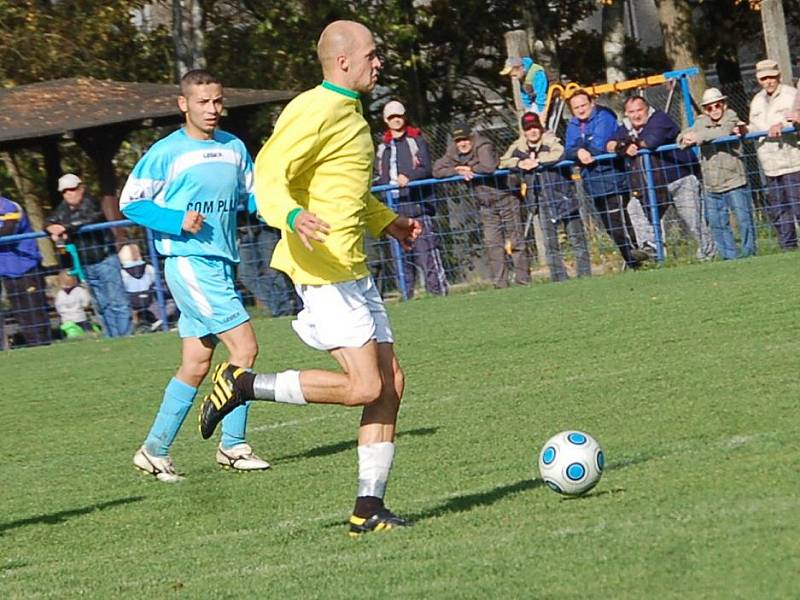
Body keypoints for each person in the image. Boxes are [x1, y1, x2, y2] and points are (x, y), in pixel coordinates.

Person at [196, 21, 421, 535]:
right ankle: (245, 383)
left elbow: (343, 190)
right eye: (371, 54)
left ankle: (368, 509)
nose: (378, 62)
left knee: (391, 386)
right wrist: (292, 217)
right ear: (343, 62)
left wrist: (389, 221)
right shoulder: (313, 108)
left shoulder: (350, 112)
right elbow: (268, 175)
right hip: (320, 270)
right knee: (365, 386)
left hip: (350, 266)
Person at [119, 69, 269, 482]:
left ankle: (154, 450)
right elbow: (130, 202)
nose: (212, 109)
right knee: (244, 349)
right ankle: (234, 446)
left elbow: (253, 196)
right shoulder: (167, 152)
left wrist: (288, 213)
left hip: (220, 262)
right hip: (189, 262)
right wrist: (174, 219)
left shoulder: (234, 147)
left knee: (197, 363)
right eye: (203, 102)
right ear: (183, 104)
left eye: (218, 101)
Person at [608, 95, 716, 261]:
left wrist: (625, 145)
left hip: (680, 179)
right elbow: (609, 145)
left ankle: (709, 254)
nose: (636, 115)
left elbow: (650, 142)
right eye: (631, 112)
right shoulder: (626, 127)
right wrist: (622, 146)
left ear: (647, 109)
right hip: (652, 185)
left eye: (639, 110)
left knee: (694, 221)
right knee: (635, 208)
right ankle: (652, 251)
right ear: (626, 114)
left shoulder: (660, 118)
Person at [433, 120, 531, 287]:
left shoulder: (484, 144)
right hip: (485, 204)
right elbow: (436, 170)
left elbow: (489, 166)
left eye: (464, 139)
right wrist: (456, 170)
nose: (462, 143)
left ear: (471, 137)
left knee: (516, 241)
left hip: (506, 196)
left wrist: (468, 167)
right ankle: (501, 284)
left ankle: (523, 280)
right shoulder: (453, 151)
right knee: (493, 244)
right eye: (458, 141)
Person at [500, 112, 591, 282]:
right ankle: (559, 278)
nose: (533, 131)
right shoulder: (518, 147)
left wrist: (538, 161)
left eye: (535, 127)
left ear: (540, 128)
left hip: (563, 196)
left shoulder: (551, 141)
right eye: (528, 128)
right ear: (524, 131)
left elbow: (559, 154)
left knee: (576, 238)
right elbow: (503, 161)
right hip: (540, 200)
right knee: (550, 244)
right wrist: (520, 163)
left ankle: (585, 275)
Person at [375, 99, 447, 297]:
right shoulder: (383, 147)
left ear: (404, 117)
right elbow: (379, 174)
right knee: (402, 262)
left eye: (398, 116)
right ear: (386, 120)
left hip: (417, 207)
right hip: (394, 209)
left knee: (428, 256)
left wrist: (409, 177)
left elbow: (426, 169)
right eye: (391, 117)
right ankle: (407, 297)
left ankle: (439, 294)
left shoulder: (417, 141)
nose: (396, 120)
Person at [45, 174, 132, 337]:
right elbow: (49, 220)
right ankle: (111, 337)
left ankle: (125, 335)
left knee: (117, 301)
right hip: (86, 262)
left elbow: (89, 219)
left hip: (105, 259)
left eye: (72, 189)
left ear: (81, 188)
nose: (69, 194)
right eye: (64, 191)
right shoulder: (63, 209)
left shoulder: (91, 203)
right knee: (101, 304)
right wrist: (51, 227)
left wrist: (64, 228)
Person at [564, 89, 643, 270]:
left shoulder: (604, 116)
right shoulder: (573, 125)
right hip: (591, 182)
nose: (581, 110)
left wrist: (581, 148)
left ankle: (638, 257)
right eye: (576, 107)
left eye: (584, 105)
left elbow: (599, 145)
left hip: (612, 177)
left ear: (592, 103)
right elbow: (567, 149)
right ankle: (633, 262)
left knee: (620, 223)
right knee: (610, 227)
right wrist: (578, 151)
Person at [678, 88, 755, 259]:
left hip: (734, 178)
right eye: (709, 107)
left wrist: (697, 137)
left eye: (717, 105)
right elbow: (683, 135)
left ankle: (749, 253)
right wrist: (684, 138)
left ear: (724, 104)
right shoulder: (701, 122)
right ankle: (729, 257)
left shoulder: (731, 117)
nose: (714, 110)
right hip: (711, 182)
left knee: (743, 220)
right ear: (705, 109)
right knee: (717, 223)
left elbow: (722, 132)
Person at [747, 58, 800, 250]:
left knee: (798, 207)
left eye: (771, 77)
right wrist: (743, 129)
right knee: (779, 211)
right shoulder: (757, 101)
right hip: (769, 165)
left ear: (778, 76)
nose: (768, 81)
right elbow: (754, 125)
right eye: (764, 78)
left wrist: (784, 125)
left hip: (793, 162)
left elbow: (796, 119)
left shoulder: (791, 95)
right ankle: (788, 248)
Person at [0, 195, 51, 348]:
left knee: (34, 311)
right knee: (20, 313)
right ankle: (33, 348)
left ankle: (44, 346)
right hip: (7, 271)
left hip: (26, 268)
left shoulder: (10, 207)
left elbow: (8, 231)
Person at [237, 213, 299, 317]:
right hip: (242, 225)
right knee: (246, 276)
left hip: (266, 223)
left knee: (274, 270)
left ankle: (286, 308)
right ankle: (281, 306)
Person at [118, 243, 177, 331]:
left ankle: (135, 324)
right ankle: (159, 321)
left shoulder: (121, 273)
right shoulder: (149, 268)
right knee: (172, 303)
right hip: (150, 304)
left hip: (131, 306)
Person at [54, 270, 98, 338]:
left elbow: (86, 303)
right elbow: (58, 307)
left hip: (79, 319)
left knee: (87, 330)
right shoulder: (60, 293)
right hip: (66, 320)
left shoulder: (79, 290)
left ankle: (91, 331)